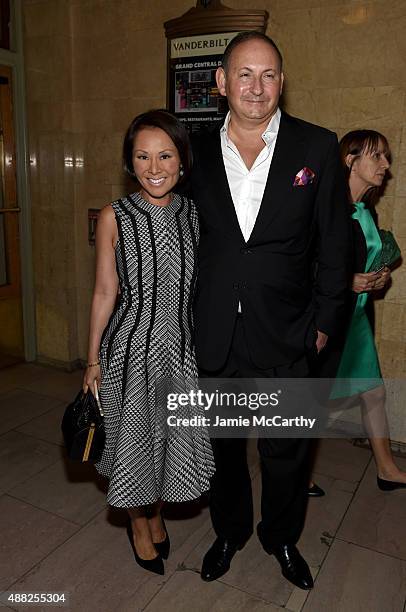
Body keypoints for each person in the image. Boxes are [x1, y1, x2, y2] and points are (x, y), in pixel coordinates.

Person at [190, 31, 351, 590]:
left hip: (290, 333)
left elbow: (336, 245)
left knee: (287, 451)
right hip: (216, 335)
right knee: (225, 449)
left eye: (268, 75)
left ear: (282, 82)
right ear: (221, 82)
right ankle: (229, 531)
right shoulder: (194, 151)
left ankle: (280, 537)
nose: (256, 87)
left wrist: (326, 322)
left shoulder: (316, 147)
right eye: (244, 74)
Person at [83, 109, 215, 576]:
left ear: (182, 161)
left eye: (165, 155)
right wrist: (93, 357)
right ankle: (139, 524)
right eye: (142, 156)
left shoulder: (194, 213)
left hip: (179, 351)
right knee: (137, 444)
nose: (154, 167)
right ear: (129, 162)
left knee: (168, 442)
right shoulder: (114, 216)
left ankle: (155, 511)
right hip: (131, 351)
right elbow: (104, 290)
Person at [322, 130, 406, 490]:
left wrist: (380, 275)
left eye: (386, 157)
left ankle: (386, 469)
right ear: (350, 160)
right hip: (330, 318)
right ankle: (295, 475)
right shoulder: (326, 208)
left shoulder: (366, 208)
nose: (385, 166)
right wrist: (347, 281)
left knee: (373, 392)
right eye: (377, 156)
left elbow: (367, 259)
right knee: (312, 399)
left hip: (357, 318)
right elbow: (306, 265)